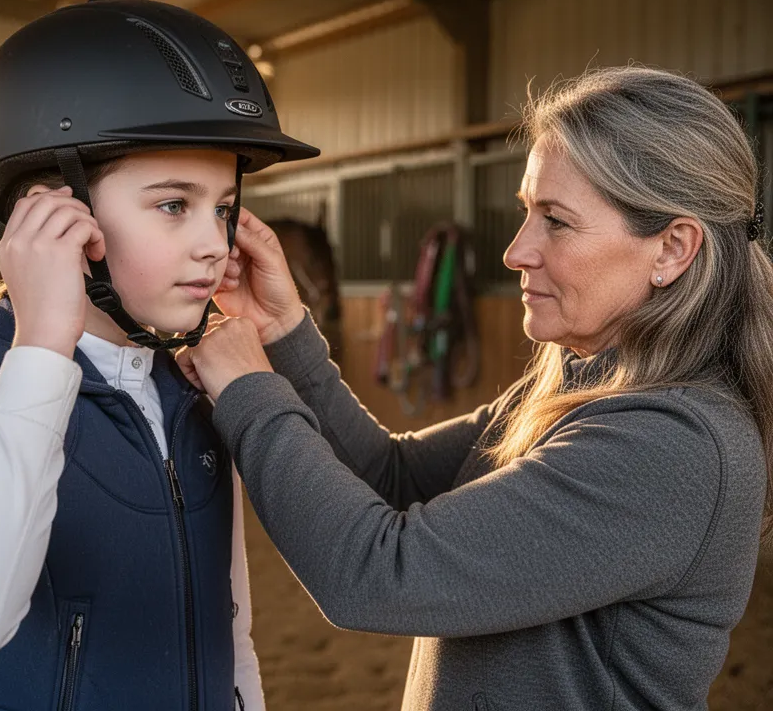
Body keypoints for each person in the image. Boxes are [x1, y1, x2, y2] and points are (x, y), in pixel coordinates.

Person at [176, 65, 773, 710]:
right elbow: (392, 476)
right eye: (526, 213)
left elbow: (376, 575)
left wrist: (248, 392)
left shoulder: (671, 446)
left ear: (671, 249)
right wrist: (285, 330)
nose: (516, 251)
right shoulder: (577, 384)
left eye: (557, 221)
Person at [0, 0, 319, 711]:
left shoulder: (193, 387)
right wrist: (43, 344)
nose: (215, 243)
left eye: (223, 208)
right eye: (174, 205)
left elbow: (234, 633)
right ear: (52, 214)